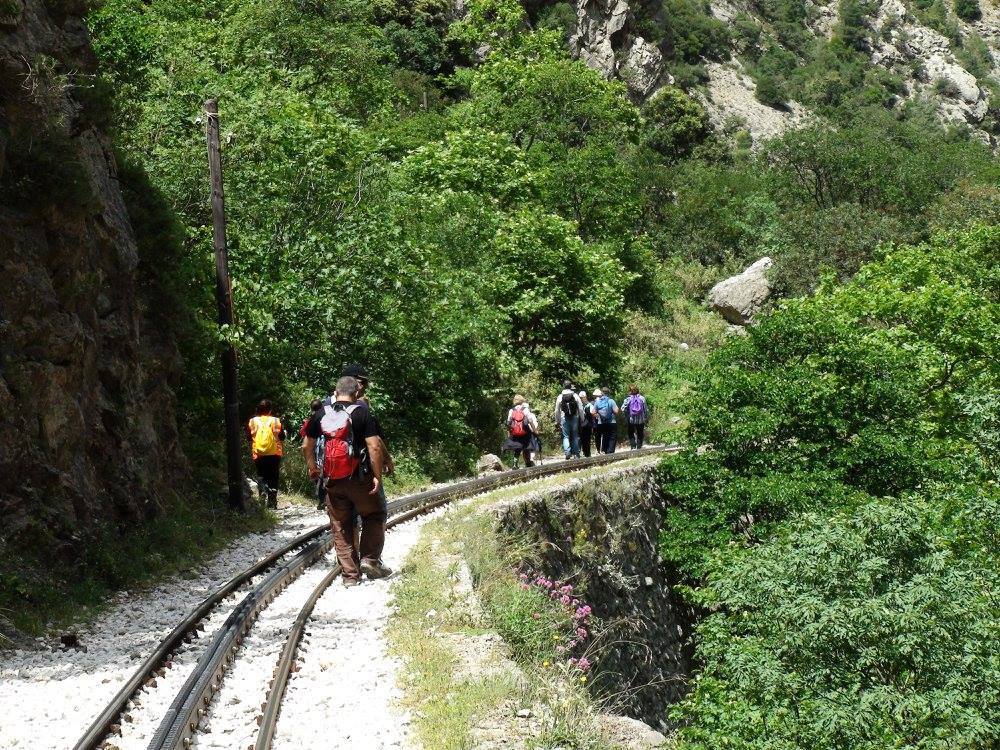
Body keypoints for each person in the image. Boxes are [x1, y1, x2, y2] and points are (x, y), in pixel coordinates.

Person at [304, 376, 389, 587]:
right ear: (356, 393)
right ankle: (369, 559)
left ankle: (350, 576)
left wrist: (313, 467)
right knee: (374, 514)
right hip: (360, 478)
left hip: (332, 480)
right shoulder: (362, 412)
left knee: (340, 525)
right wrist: (377, 476)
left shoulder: (321, 413)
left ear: (336, 391)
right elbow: (374, 446)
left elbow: (307, 445)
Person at [249, 399, 284, 508]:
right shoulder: (275, 421)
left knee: (261, 475)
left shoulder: (253, 421)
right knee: (273, 476)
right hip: (275, 453)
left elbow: (249, 437)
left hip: (258, 453)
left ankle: (263, 492)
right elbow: (282, 437)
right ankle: (272, 502)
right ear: (270, 410)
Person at [300, 398, 326, 509]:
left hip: (315, 449)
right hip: (328, 448)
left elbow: (304, 438)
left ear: (311, 408)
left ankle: (322, 499)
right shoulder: (328, 416)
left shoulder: (311, 420)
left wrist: (311, 467)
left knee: (318, 473)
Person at [504, 395, 537, 468]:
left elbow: (508, 422)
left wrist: (509, 433)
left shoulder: (511, 410)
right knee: (527, 447)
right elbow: (530, 420)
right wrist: (535, 430)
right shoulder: (525, 409)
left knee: (517, 448)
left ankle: (515, 464)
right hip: (525, 431)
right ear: (522, 401)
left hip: (515, 432)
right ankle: (528, 463)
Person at [553, 381, 584, 459]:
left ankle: (567, 452)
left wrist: (557, 420)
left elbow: (557, 410)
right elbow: (580, 408)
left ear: (564, 386)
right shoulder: (575, 395)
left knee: (566, 436)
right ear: (570, 386)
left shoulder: (560, 396)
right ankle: (576, 454)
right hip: (574, 417)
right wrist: (582, 418)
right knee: (575, 436)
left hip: (564, 418)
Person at [621, 385, 650, 450]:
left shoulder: (628, 399)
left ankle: (633, 446)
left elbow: (623, 409)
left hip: (631, 419)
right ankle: (639, 447)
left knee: (631, 433)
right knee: (640, 433)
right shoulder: (642, 398)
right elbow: (645, 409)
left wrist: (626, 414)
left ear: (630, 391)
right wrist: (646, 417)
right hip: (641, 419)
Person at [592, 388, 620, 454]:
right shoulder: (611, 401)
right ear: (608, 393)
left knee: (605, 436)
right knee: (612, 437)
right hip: (612, 422)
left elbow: (593, 412)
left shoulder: (597, 402)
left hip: (602, 423)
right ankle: (610, 452)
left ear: (602, 393)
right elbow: (616, 411)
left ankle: (605, 451)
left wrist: (599, 416)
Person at [578, 390, 594, 458]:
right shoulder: (589, 405)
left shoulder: (580, 405)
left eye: (582, 397)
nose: (582, 399)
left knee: (584, 439)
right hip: (587, 425)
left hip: (583, 425)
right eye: (581, 398)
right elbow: (593, 414)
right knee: (586, 439)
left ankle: (586, 453)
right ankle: (587, 453)